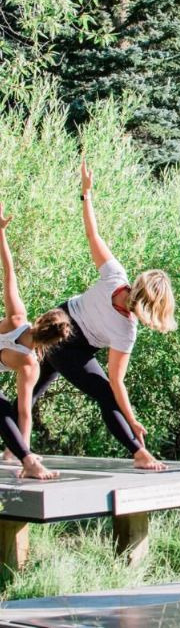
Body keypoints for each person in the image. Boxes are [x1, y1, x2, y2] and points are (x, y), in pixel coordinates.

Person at [31, 159, 177, 471]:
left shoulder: (116, 275)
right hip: (62, 334)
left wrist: (87, 195)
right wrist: (132, 421)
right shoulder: (126, 330)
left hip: (60, 320)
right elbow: (116, 384)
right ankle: (139, 454)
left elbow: (93, 235)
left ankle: (13, 451)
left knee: (32, 387)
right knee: (105, 395)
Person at [0, 204, 73, 479]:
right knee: (5, 407)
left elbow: (9, 273)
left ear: (41, 319)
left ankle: (22, 457)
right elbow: (24, 413)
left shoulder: (17, 317)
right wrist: (22, 449)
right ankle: (26, 460)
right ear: (53, 343)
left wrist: (1, 234)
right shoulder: (30, 364)